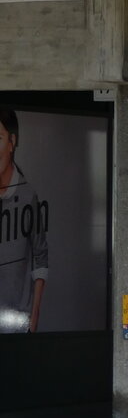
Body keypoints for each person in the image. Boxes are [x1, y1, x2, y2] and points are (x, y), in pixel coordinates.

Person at [0, 108, 48, 332]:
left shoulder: (28, 195)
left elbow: (40, 257)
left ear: (12, 142)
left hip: (16, 323)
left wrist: (34, 317)